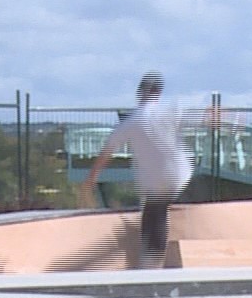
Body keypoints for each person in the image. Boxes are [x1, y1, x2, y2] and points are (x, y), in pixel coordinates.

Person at [80, 72, 194, 269]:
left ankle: (151, 263)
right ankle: (160, 255)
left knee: (154, 213)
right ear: (158, 93)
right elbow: (203, 117)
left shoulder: (132, 121)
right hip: (182, 176)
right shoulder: (170, 110)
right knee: (159, 209)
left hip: (156, 181)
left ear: (140, 93)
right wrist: (225, 119)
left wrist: (91, 179)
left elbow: (107, 151)